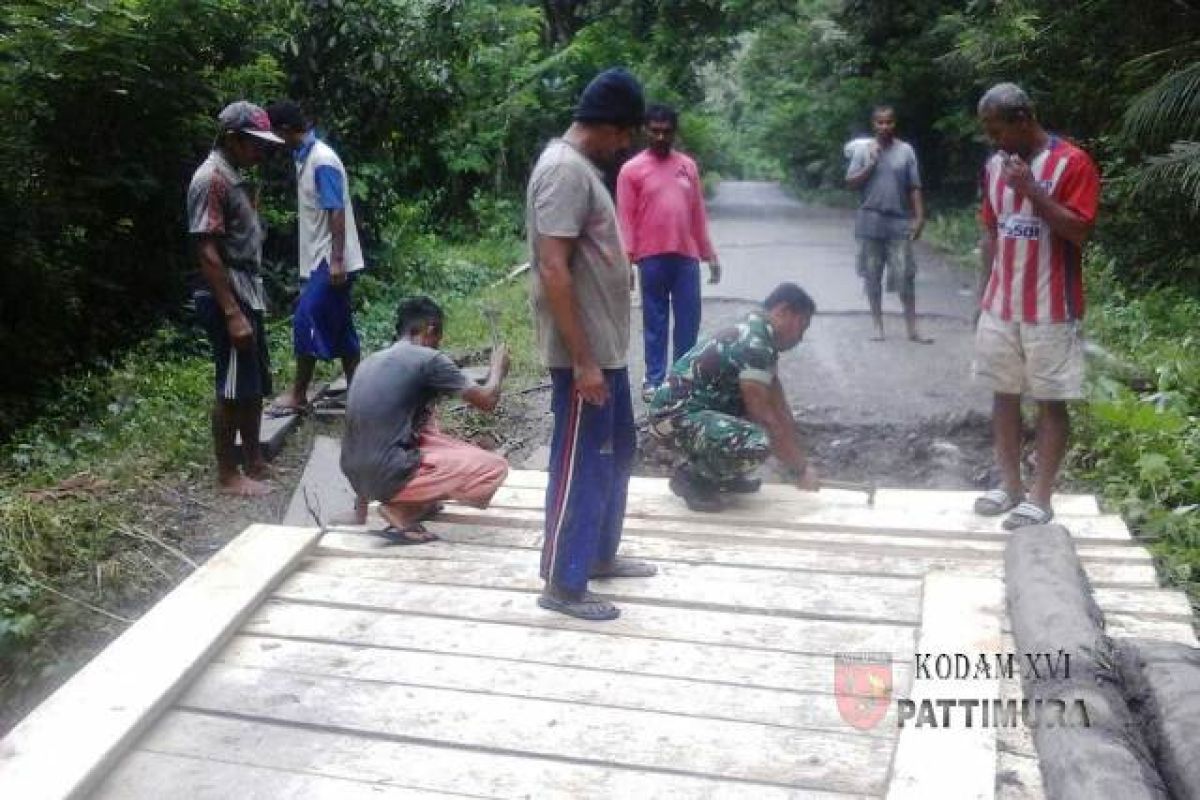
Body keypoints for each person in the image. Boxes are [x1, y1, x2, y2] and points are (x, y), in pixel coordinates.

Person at [527, 67, 657, 622]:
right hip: (585, 356)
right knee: (580, 461)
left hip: (606, 349)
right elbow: (554, 269)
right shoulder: (562, 171)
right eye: (624, 133)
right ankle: (563, 580)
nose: (625, 145)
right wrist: (582, 360)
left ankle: (598, 554)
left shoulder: (582, 169)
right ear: (604, 125)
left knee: (617, 452)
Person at [971, 83, 1100, 530]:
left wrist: (1031, 190)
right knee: (1002, 394)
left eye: (997, 129)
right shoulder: (993, 166)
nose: (993, 139)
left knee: (1050, 400)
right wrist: (982, 296)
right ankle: (1010, 486)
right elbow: (991, 232)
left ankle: (1041, 497)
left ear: (1023, 119)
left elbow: (1079, 230)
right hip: (1001, 304)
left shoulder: (1073, 163)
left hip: (1052, 308)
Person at [339, 296, 510, 543]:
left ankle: (416, 499)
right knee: (493, 469)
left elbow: (367, 433)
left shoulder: (369, 362)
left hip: (357, 474)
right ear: (430, 329)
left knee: (427, 421)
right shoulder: (429, 359)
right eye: (439, 337)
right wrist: (497, 369)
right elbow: (487, 401)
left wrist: (360, 511)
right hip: (388, 473)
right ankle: (402, 508)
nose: (439, 344)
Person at [647, 282, 820, 511]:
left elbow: (779, 408)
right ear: (784, 311)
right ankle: (693, 478)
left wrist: (798, 460)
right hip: (673, 418)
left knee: (756, 430)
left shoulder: (759, 338)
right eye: (801, 325)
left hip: (692, 414)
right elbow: (765, 418)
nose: (800, 336)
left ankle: (724, 475)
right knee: (757, 440)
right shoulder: (755, 344)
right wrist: (798, 469)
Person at [186, 101, 284, 496]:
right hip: (226, 292)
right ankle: (228, 474)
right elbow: (207, 250)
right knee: (231, 386)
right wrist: (231, 312)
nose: (261, 152)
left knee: (254, 380)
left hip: (248, 288)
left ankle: (254, 460)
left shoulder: (235, 177)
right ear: (232, 139)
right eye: (254, 143)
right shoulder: (210, 179)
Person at [264, 100, 366, 415]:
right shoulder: (304, 157)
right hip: (321, 257)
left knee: (305, 320)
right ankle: (360, 391)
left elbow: (335, 209)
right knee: (341, 327)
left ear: (284, 130)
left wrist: (336, 260)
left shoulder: (321, 161)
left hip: (329, 259)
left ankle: (298, 394)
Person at [616, 104, 720, 400]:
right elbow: (626, 218)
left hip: (686, 256)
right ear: (645, 131)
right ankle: (654, 380)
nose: (661, 137)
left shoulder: (687, 166)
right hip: (651, 258)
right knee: (655, 320)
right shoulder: (631, 170)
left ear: (674, 132)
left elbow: (697, 212)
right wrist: (627, 260)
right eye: (655, 130)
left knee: (689, 319)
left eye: (667, 131)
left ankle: (682, 379)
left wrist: (709, 253)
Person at [845, 105, 929, 343]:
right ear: (874, 125)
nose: (885, 126)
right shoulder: (864, 151)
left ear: (895, 123)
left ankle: (912, 329)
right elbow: (850, 183)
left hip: (898, 222)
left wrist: (920, 217)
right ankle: (877, 326)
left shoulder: (906, 151)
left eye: (889, 122)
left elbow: (914, 187)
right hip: (869, 221)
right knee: (872, 276)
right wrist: (870, 165)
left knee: (905, 276)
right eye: (880, 123)